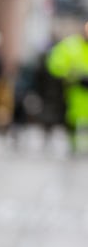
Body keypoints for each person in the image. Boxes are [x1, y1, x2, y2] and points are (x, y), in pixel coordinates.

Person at [45, 20, 88, 151]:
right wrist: (71, 76)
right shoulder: (70, 45)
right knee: (73, 120)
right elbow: (55, 65)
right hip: (74, 92)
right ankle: (74, 145)